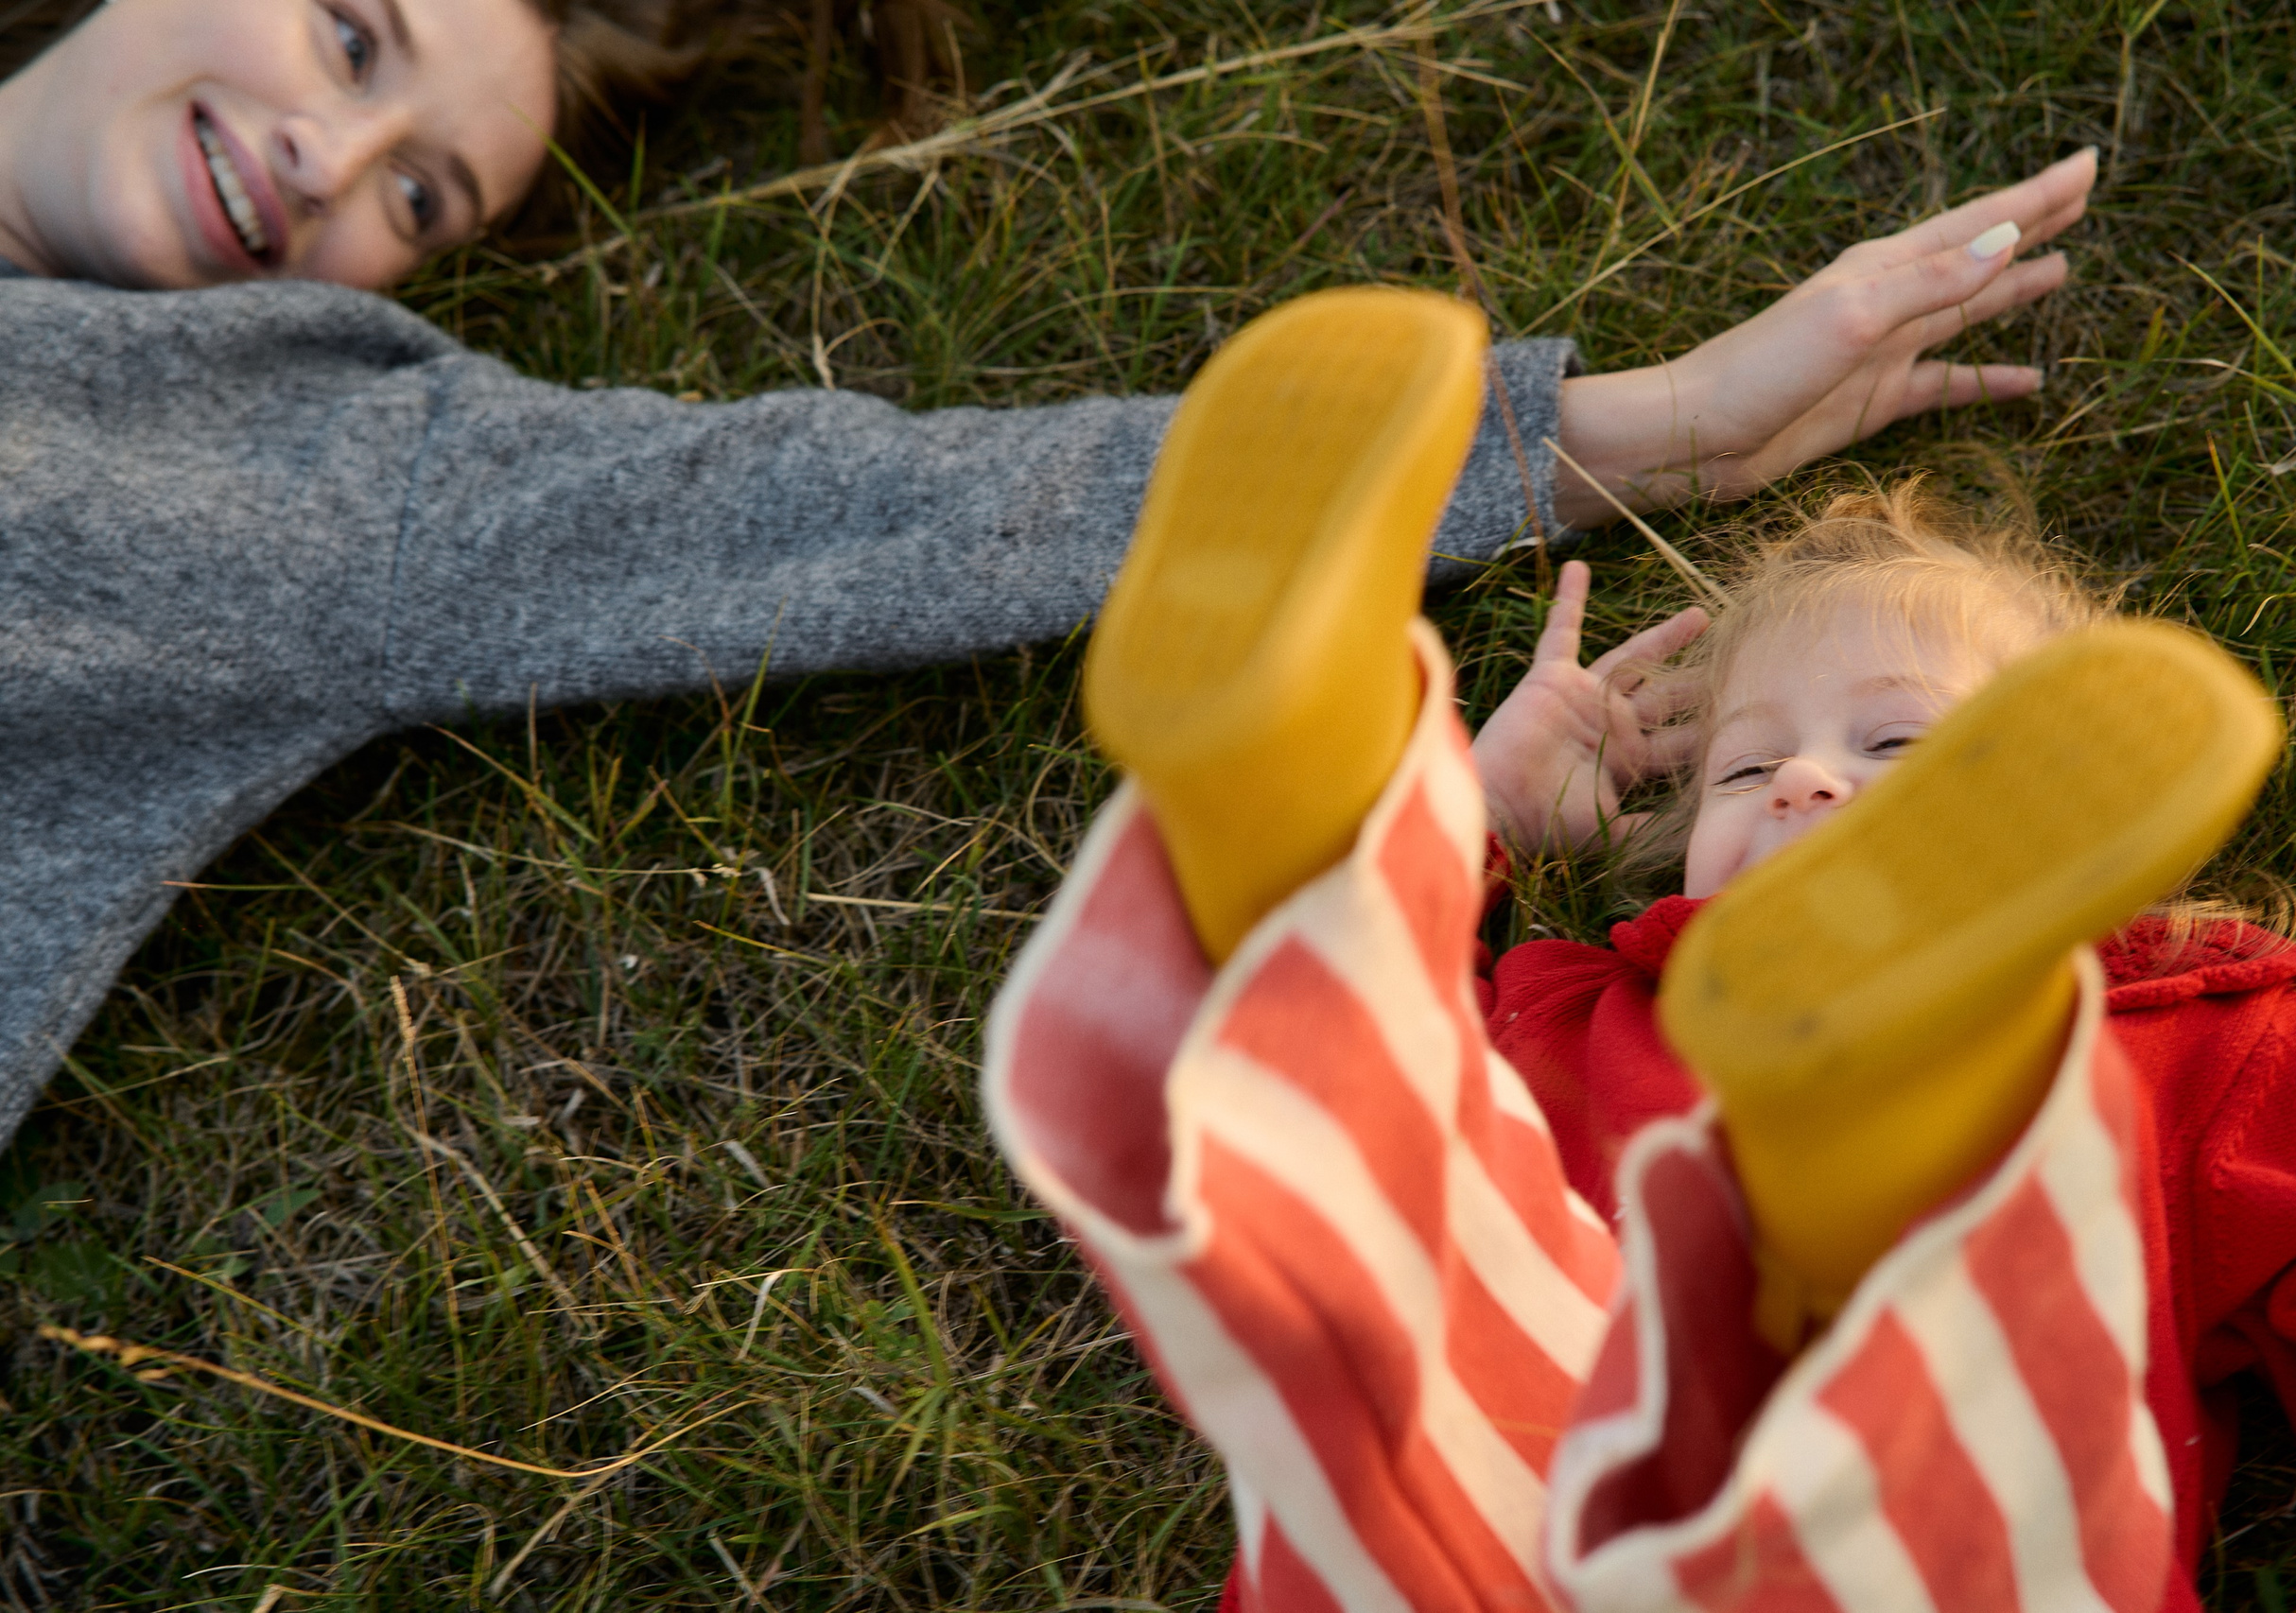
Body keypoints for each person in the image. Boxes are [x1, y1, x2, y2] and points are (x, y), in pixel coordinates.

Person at [0, 0, 2097, 1154]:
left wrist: (1643, 429)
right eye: (354, 42)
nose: (331, 168)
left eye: (425, 197)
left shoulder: (280, 445)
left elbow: (840, 508)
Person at [983, 289, 2296, 1610]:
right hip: (1640, 1508)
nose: (1799, 781)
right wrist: (1487, 820)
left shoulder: (2210, 1036)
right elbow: (1359, 1154)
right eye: (1745, 770)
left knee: (1295, 1152)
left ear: (2105, 834)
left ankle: (1295, 860)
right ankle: (1293, 795)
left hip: (1639, 1520)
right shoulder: (1577, 1006)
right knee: (1382, 1145)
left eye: (1897, 745)